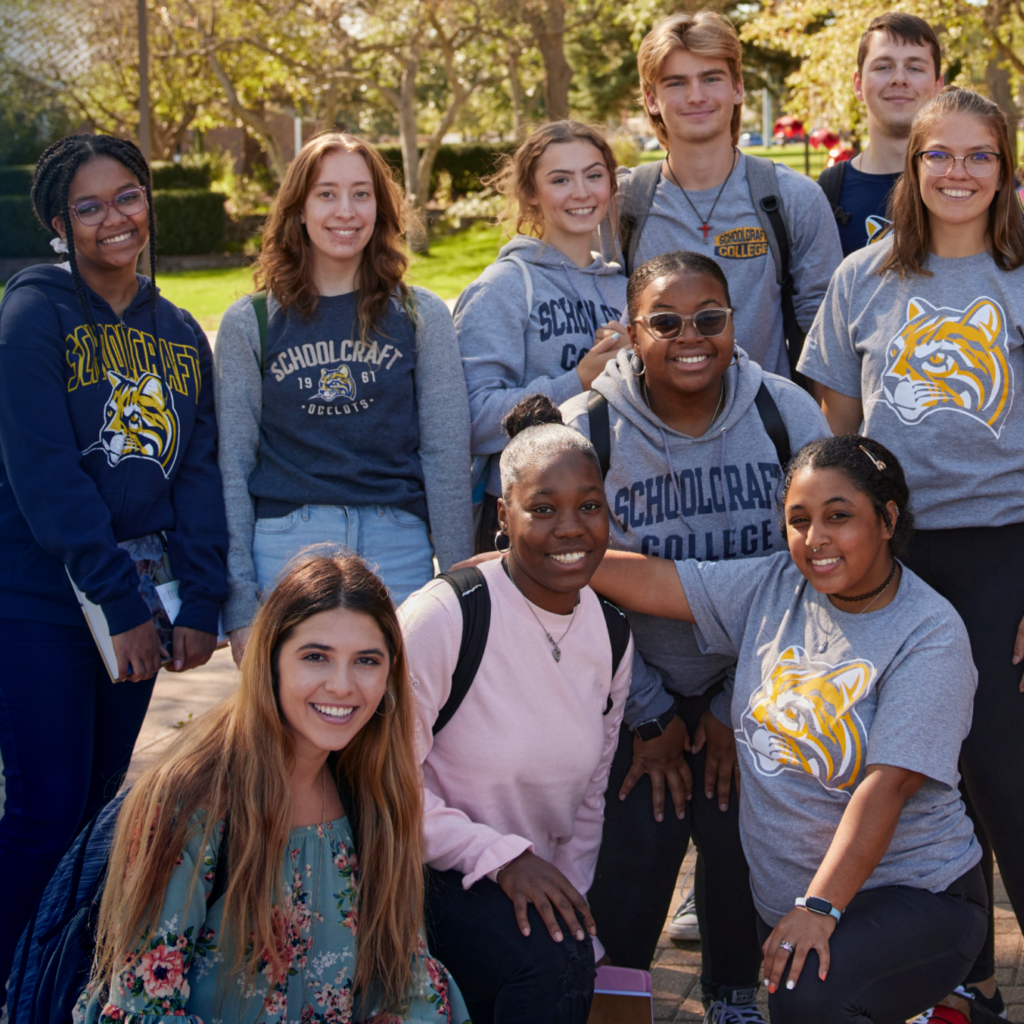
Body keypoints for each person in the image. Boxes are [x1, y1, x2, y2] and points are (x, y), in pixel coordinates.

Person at [582, 434, 986, 1024]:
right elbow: (655, 582)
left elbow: (886, 788)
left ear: (887, 518)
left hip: (918, 896)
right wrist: (534, 555)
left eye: (838, 517)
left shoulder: (929, 634)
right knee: (808, 987)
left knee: (806, 996)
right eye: (799, 521)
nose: (815, 540)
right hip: (802, 906)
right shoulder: (775, 586)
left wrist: (819, 907)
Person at [797, 86, 1024, 1019]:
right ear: (914, 165)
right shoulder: (865, 276)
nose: (958, 173)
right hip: (899, 558)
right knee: (918, 770)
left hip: (1005, 549)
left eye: (980, 156)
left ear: (1004, 170)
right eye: (941, 156)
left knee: (1006, 771)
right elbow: (840, 423)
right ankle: (960, 980)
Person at [560, 249, 829, 1023]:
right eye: (665, 321)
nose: (691, 336)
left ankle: (735, 993)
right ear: (632, 331)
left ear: (733, 322)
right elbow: (564, 581)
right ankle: (614, 997)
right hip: (624, 685)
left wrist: (725, 705)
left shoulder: (785, 414)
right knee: (636, 846)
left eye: (709, 319)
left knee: (740, 832)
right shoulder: (589, 432)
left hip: (754, 680)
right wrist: (650, 716)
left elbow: (814, 572)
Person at [0, 134, 228, 998]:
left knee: (97, 814)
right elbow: (43, 472)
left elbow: (197, 471)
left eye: (127, 196)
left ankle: (53, 983)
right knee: (43, 812)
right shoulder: (34, 313)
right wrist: (116, 596)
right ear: (61, 224)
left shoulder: (177, 331)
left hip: (142, 601)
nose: (114, 219)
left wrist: (201, 597)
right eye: (89, 207)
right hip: (40, 600)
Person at [75, 553, 471, 1022]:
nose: (342, 686)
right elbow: (142, 1009)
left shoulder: (374, 791)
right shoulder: (193, 797)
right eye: (316, 657)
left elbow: (408, 975)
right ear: (271, 661)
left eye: (367, 660)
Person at [400, 395, 633, 1024]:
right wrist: (499, 859)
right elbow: (382, 782)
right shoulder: (447, 615)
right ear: (503, 515)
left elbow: (588, 801)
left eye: (589, 506)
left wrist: (571, 905)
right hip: (422, 873)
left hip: (522, 879)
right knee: (547, 964)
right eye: (543, 509)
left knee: (568, 954)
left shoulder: (611, 635)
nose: (571, 528)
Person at [215, 131, 473, 665]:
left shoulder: (420, 316)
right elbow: (233, 466)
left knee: (394, 729)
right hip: (287, 547)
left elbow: (446, 458)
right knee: (294, 733)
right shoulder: (253, 323)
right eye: (326, 193)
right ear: (299, 209)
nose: (345, 211)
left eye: (361, 193)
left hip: (397, 546)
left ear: (381, 208)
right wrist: (240, 604)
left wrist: (461, 590)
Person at [604, 9, 842, 381]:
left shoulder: (794, 197)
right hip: (646, 428)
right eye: (676, 83)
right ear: (651, 100)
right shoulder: (621, 203)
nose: (696, 96)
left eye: (711, 78)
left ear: (738, 88)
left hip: (765, 427)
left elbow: (827, 338)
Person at [454, 120, 629, 551]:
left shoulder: (625, 289)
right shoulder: (503, 287)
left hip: (613, 511)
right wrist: (578, 382)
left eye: (593, 175)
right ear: (531, 194)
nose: (581, 192)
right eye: (560, 180)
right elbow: (472, 419)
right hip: (530, 519)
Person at [817, 13, 944, 256]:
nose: (899, 79)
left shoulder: (973, 185)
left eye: (915, 68)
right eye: (883, 67)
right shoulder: (825, 195)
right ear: (858, 85)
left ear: (938, 86)